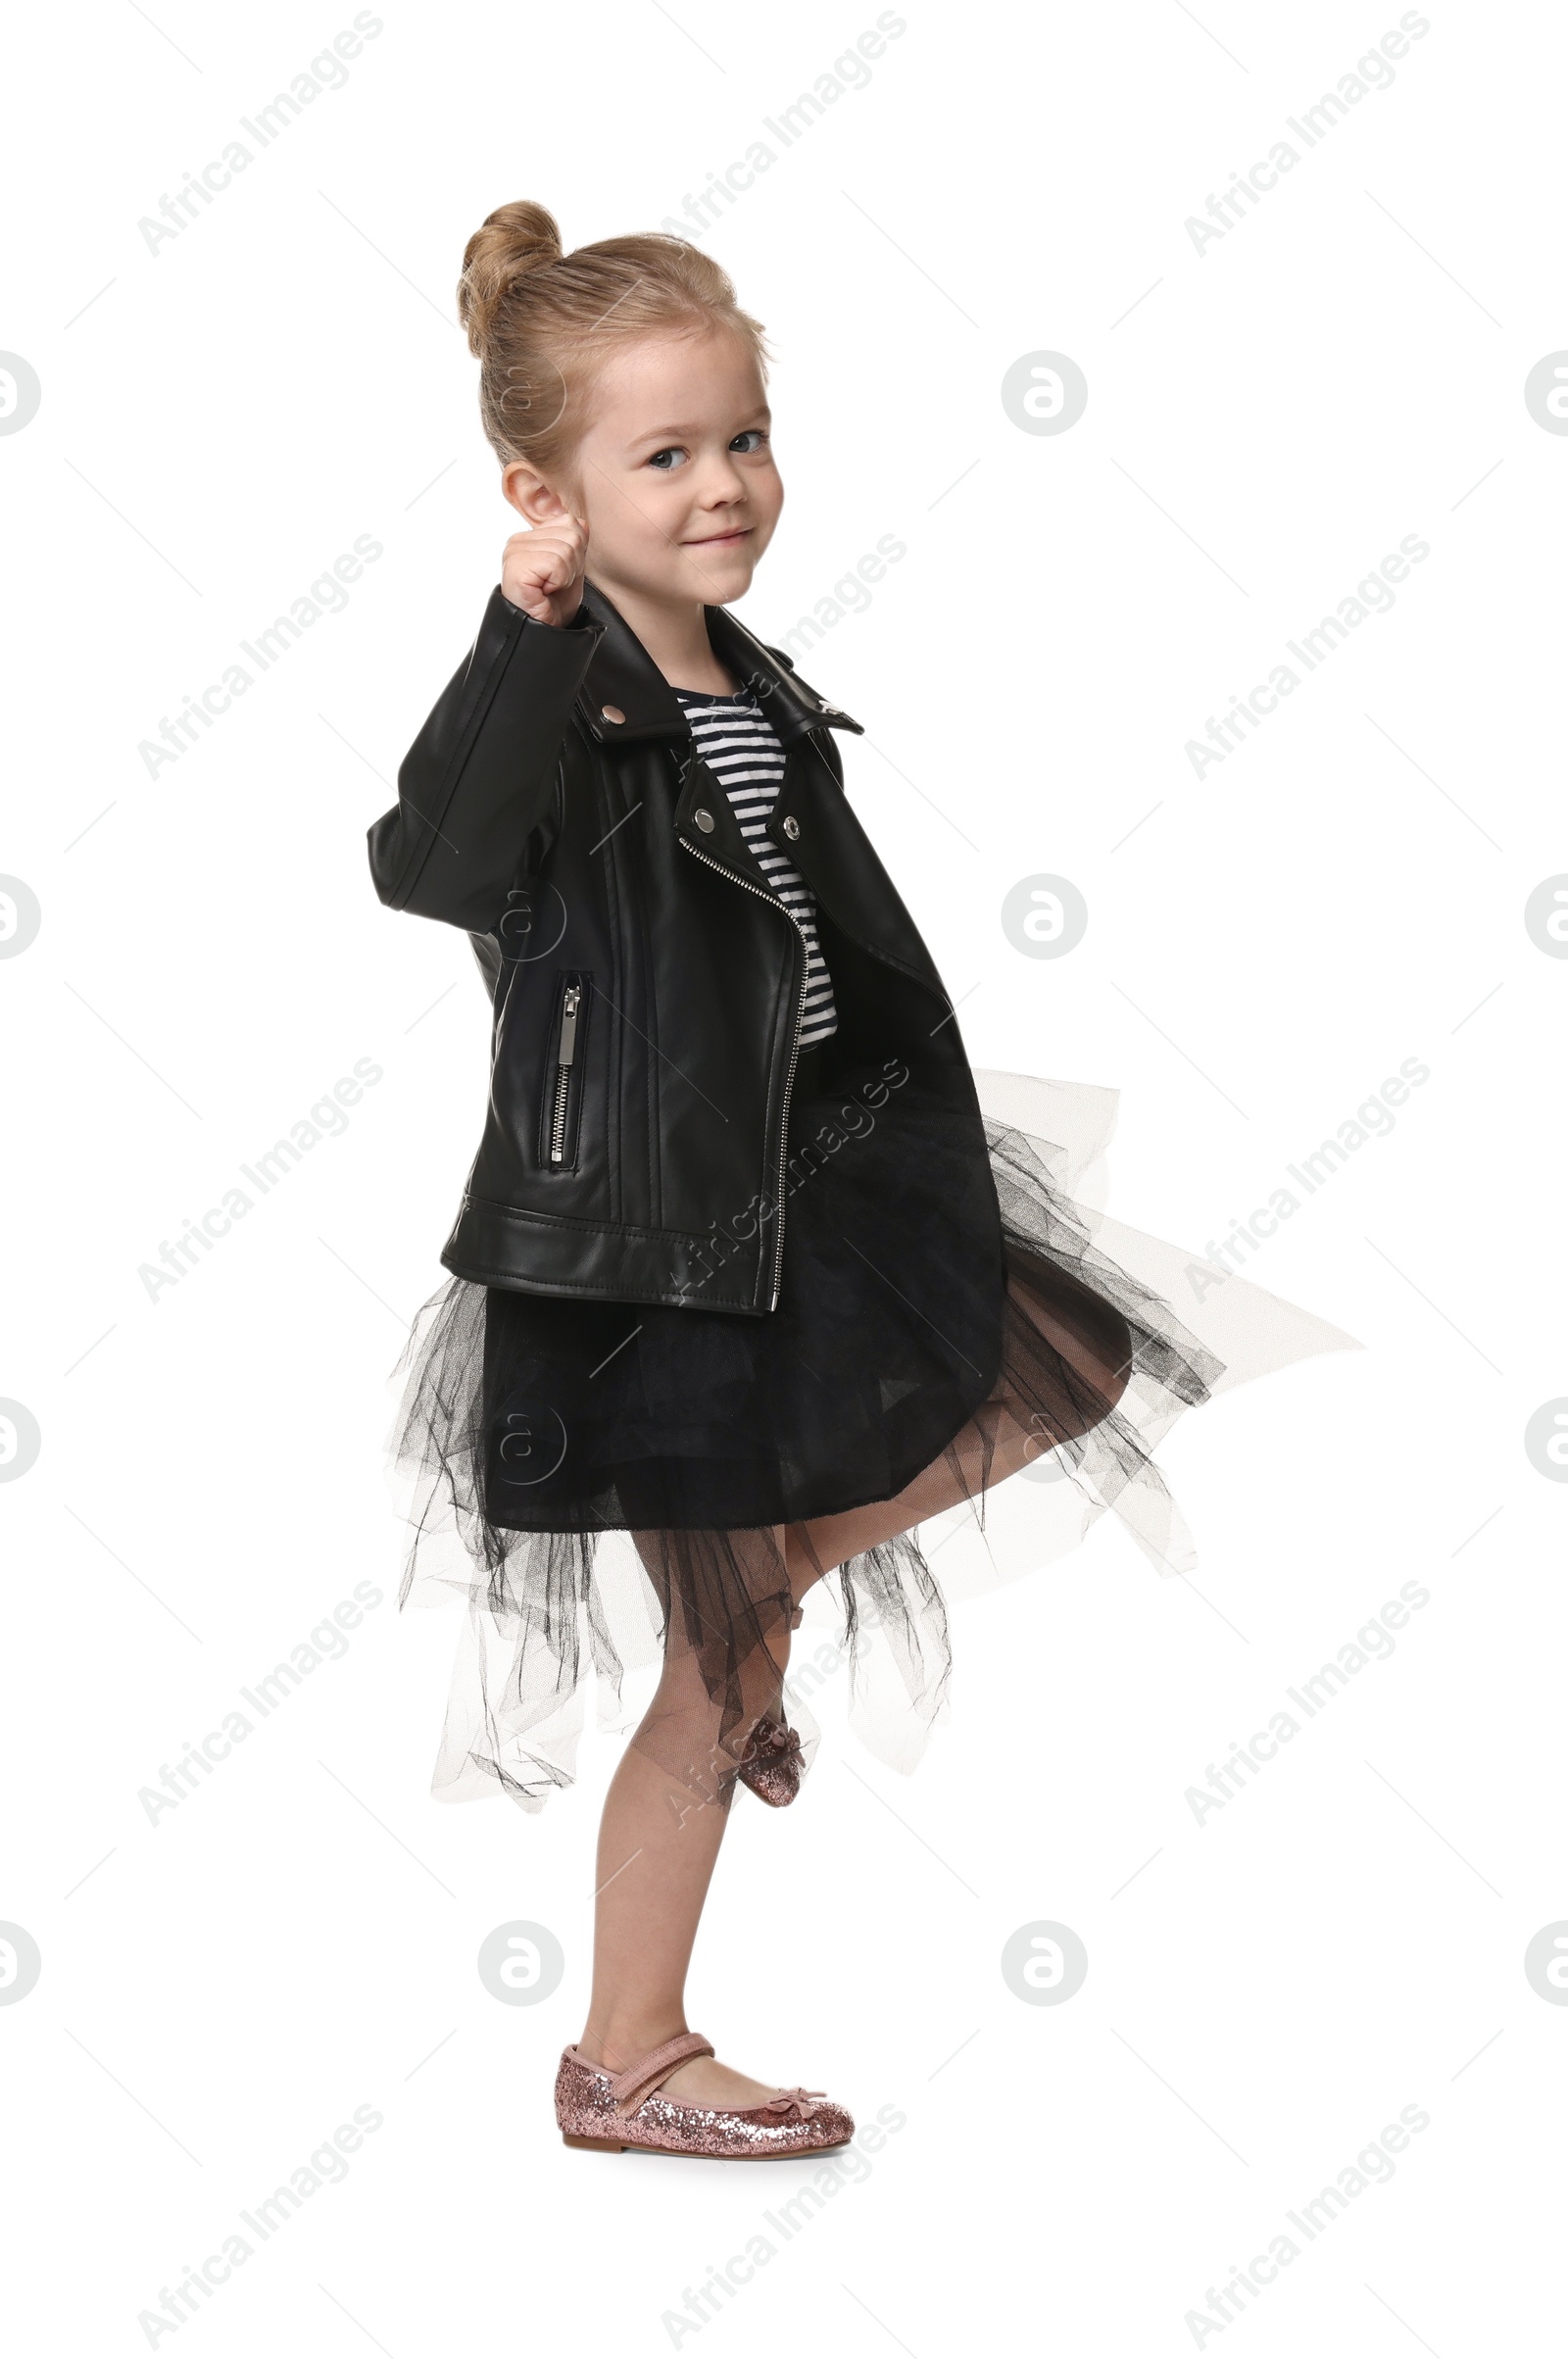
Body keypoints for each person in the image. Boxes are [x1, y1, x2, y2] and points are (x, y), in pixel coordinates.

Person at [368, 201, 1349, 2162]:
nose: (722, 483)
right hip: (655, 1238)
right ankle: (626, 2051)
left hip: (815, 1178)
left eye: (741, 437)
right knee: (716, 1661)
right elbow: (435, 861)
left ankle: (757, 1611)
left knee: (1054, 1359)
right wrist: (521, 626)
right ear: (539, 494)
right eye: (662, 455)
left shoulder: (744, 669)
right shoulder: (556, 698)